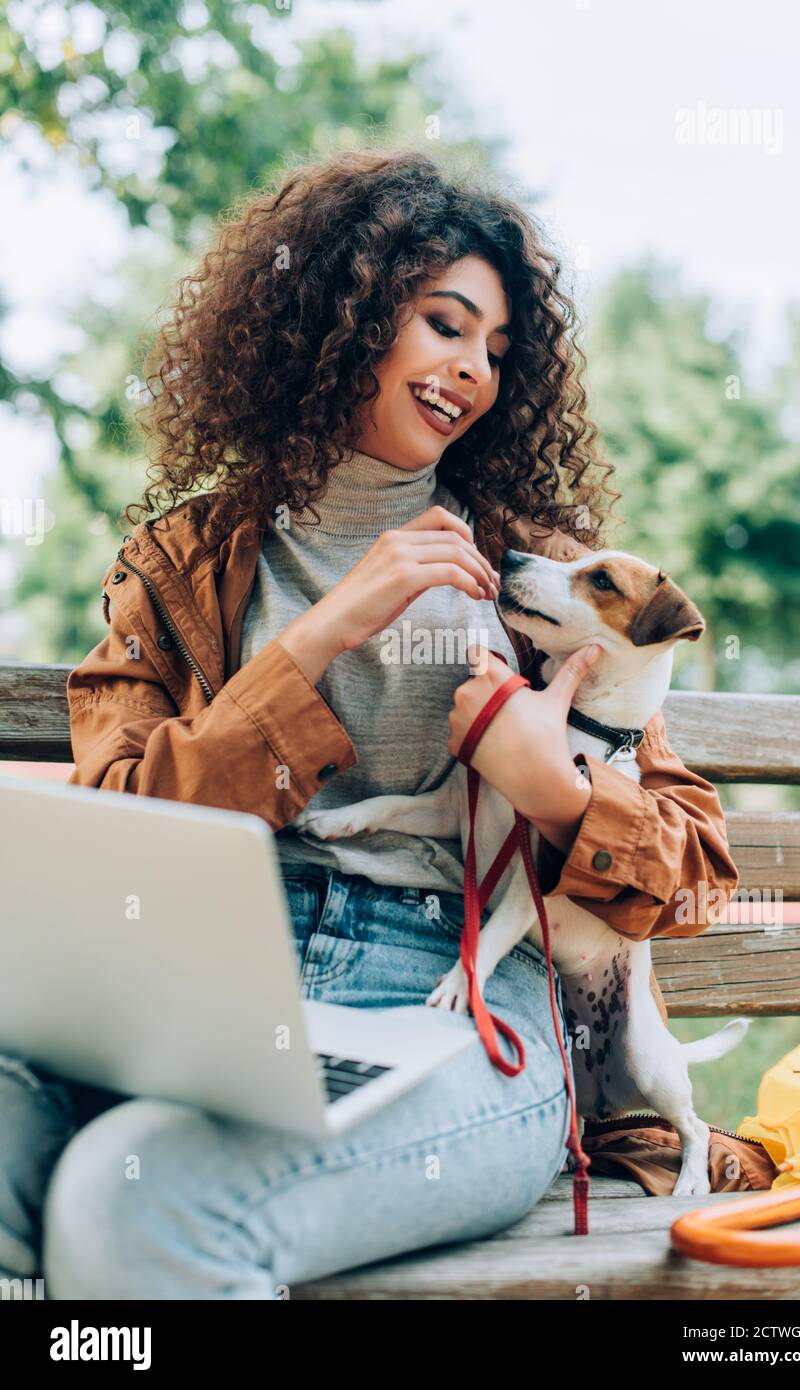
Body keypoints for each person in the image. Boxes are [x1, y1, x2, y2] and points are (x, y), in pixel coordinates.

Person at [0, 148, 737, 1299]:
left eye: (497, 350)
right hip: (201, 989)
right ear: (340, 319)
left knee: (130, 1200)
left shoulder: (535, 576)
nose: (471, 372)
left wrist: (560, 791)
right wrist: (319, 633)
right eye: (444, 324)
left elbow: (693, 873)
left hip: (454, 999)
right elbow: (117, 824)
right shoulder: (181, 563)